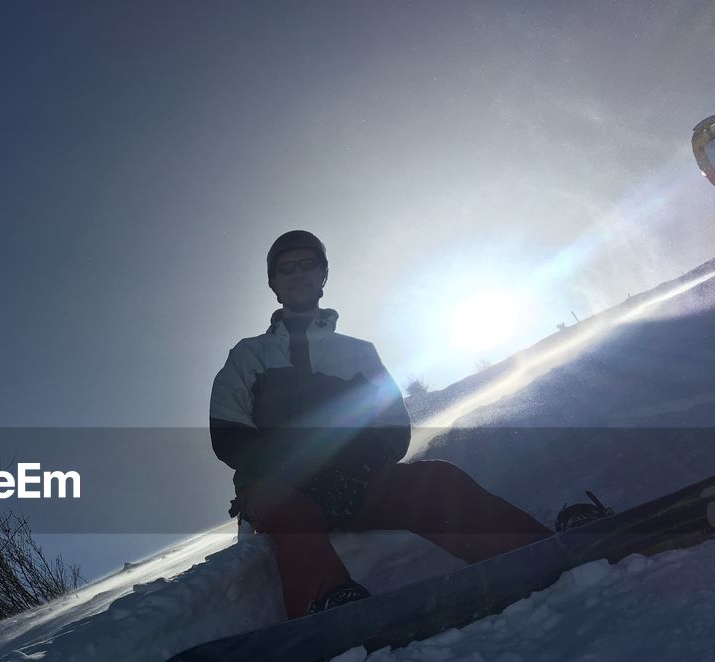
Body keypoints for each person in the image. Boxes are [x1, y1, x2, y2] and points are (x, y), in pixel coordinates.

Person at [209, 230, 554, 619]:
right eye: (286, 268)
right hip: (279, 485)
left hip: (353, 479)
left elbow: (390, 421)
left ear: (323, 275)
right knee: (293, 517)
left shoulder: (358, 352)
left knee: (434, 481)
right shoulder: (249, 354)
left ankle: (531, 548)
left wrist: (360, 464)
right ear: (274, 284)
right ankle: (327, 608)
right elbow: (228, 426)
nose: (298, 274)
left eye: (308, 264)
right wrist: (280, 468)